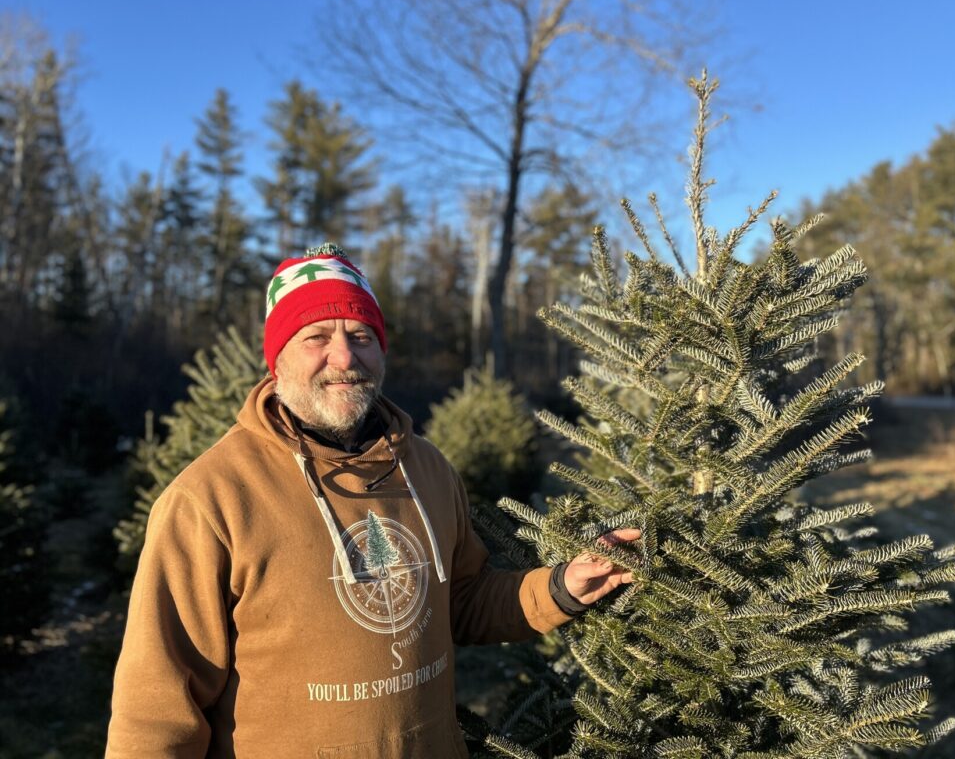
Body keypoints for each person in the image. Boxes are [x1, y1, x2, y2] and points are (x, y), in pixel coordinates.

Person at [106, 244, 638, 758]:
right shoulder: (209, 498)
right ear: (277, 358)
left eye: (361, 336)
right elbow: (157, 704)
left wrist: (562, 587)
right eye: (316, 337)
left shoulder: (427, 468)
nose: (344, 356)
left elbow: (462, 602)